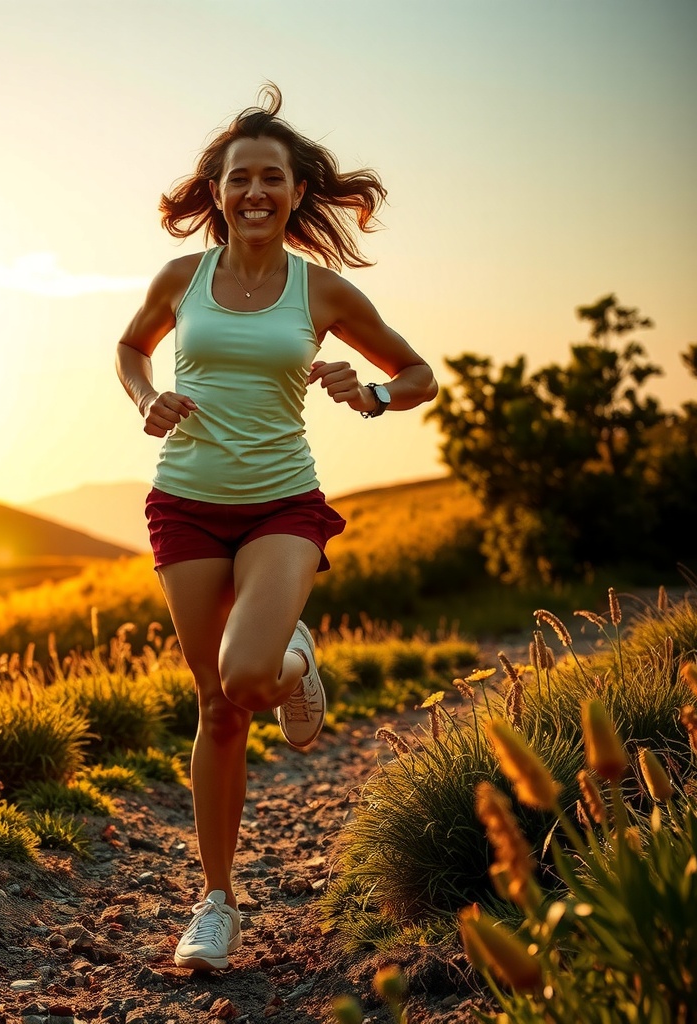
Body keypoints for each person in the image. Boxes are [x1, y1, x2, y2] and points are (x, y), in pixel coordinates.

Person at [113, 84, 437, 972]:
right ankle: (215, 902)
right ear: (215, 191)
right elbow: (129, 347)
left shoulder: (320, 290)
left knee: (248, 675)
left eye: (272, 179)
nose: (254, 192)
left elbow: (418, 375)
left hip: (282, 506)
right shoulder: (182, 280)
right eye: (238, 179)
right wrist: (148, 399)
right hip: (184, 505)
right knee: (218, 708)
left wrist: (367, 392)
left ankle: (291, 653)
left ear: (297, 192)